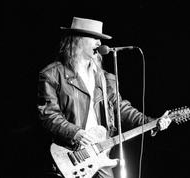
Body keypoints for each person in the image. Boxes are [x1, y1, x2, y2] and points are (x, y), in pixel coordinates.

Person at [37, 17, 172, 178]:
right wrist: (76, 133)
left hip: (100, 152)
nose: (99, 43)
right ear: (77, 40)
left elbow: (121, 108)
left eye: (100, 39)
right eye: (94, 38)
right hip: (70, 153)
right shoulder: (52, 75)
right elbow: (48, 114)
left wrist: (151, 122)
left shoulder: (105, 78)